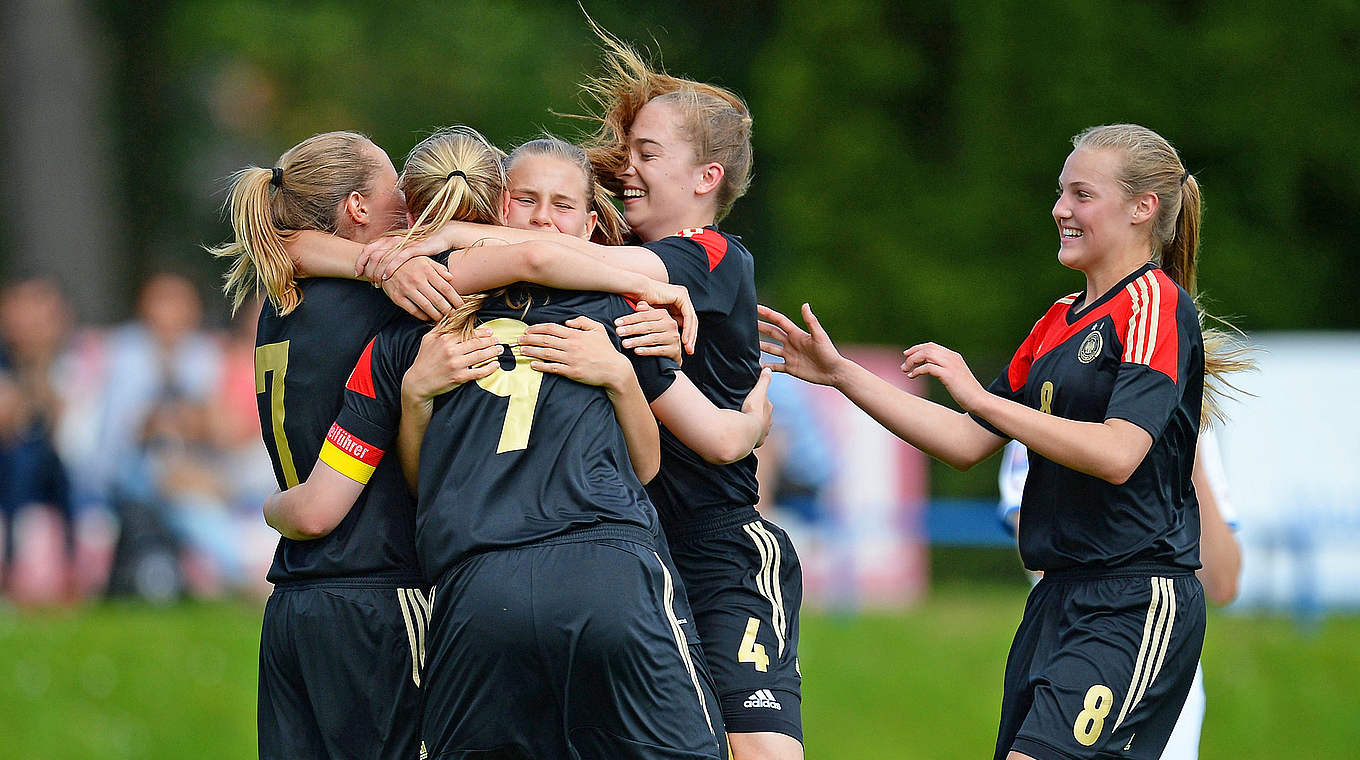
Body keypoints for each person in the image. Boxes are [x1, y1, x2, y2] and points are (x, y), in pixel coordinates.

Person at [357, 28, 806, 759]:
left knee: (755, 750)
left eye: (648, 154)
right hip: (619, 545)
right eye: (626, 153)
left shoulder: (700, 258)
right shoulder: (601, 290)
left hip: (713, 544)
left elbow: (720, 438)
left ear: (707, 177)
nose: (628, 167)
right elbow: (543, 253)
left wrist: (433, 245)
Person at [760, 123, 1248, 760]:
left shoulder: (1155, 302)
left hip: (1132, 598)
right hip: (1057, 601)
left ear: (1141, 208)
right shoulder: (1058, 320)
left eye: (1081, 194)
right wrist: (838, 375)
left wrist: (983, 398)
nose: (1060, 210)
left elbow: (1118, 452)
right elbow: (966, 441)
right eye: (1060, 192)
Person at [268, 125, 750, 758]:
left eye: (562, 204)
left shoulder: (386, 310)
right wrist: (749, 409)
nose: (542, 222)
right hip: (586, 568)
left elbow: (288, 247)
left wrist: (411, 394)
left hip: (460, 585)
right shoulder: (603, 307)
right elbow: (666, 458)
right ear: (496, 204)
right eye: (527, 201)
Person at [998, 429, 1242, 760]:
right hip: (1070, 654)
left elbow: (1223, 584)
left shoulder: (1188, 417)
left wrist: (1191, 464)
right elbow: (1042, 554)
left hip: (1160, 666)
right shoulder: (1049, 398)